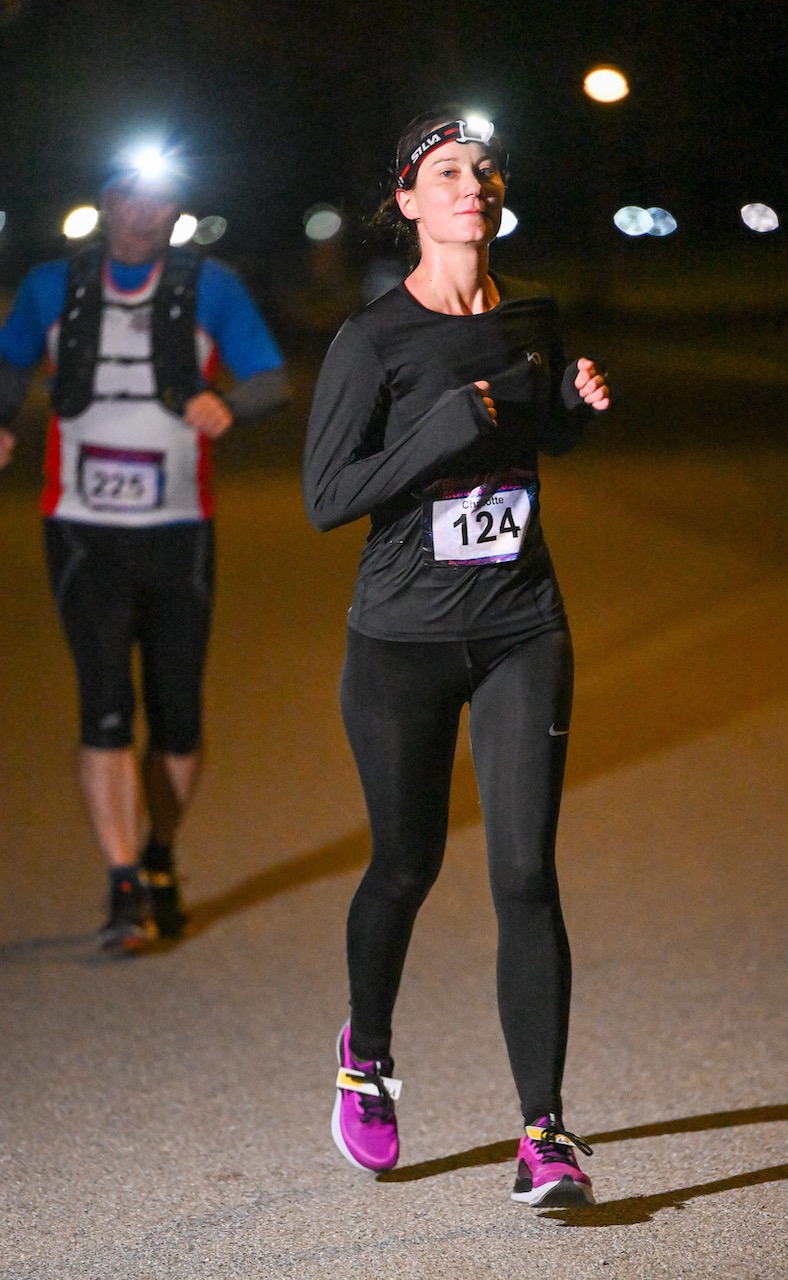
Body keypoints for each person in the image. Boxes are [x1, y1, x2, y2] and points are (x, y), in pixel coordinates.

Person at [301, 108, 610, 1209]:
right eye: (444, 172)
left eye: (480, 170)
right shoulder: (370, 339)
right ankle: (365, 1055)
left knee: (525, 871)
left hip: (523, 623)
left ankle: (543, 1133)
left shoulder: (531, 316)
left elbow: (526, 449)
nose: (468, 185)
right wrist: (439, 426)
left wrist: (567, 413)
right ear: (406, 199)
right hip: (400, 643)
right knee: (405, 863)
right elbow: (326, 496)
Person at [0, 159, 289, 950]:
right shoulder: (49, 287)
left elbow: (271, 379)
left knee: (179, 724)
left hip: (178, 532)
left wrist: (225, 403)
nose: (144, 211)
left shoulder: (212, 288)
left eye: (160, 198)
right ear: (106, 202)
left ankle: (158, 854)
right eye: (130, 195)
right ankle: (123, 881)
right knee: (104, 706)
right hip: (80, 530)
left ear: (176, 209)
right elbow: (10, 359)